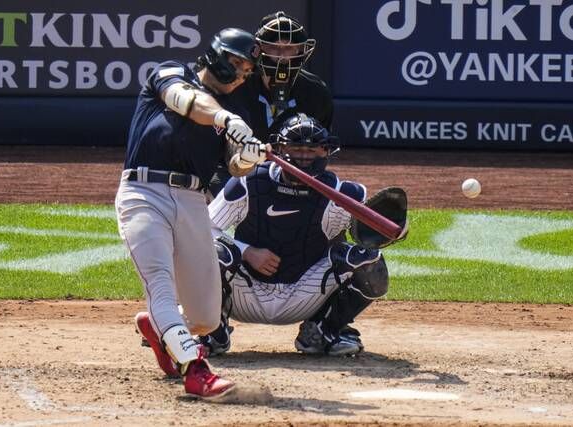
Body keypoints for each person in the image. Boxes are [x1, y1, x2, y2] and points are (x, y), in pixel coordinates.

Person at [115, 27, 269, 401]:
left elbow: (233, 166)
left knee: (205, 317)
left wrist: (246, 159)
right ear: (217, 55)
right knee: (160, 285)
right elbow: (186, 102)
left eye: (248, 71)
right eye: (238, 64)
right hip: (143, 192)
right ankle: (196, 371)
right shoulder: (171, 73)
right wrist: (225, 121)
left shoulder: (239, 111)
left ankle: (160, 331)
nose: (241, 75)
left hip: (193, 201)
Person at [201, 113, 394, 356]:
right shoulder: (248, 183)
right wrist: (247, 252)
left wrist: (393, 230)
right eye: (296, 148)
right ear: (280, 149)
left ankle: (324, 331)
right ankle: (213, 331)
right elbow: (204, 228)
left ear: (325, 152)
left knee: (368, 258)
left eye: (312, 149)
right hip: (245, 292)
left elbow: (371, 236)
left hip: (304, 293)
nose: (304, 156)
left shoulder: (343, 194)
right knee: (214, 251)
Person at [208, 11, 333, 196]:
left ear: (301, 50)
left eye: (289, 48)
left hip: (290, 176)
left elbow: (320, 151)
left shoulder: (316, 92)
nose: (282, 56)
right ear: (259, 49)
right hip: (231, 170)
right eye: (274, 48)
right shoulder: (237, 84)